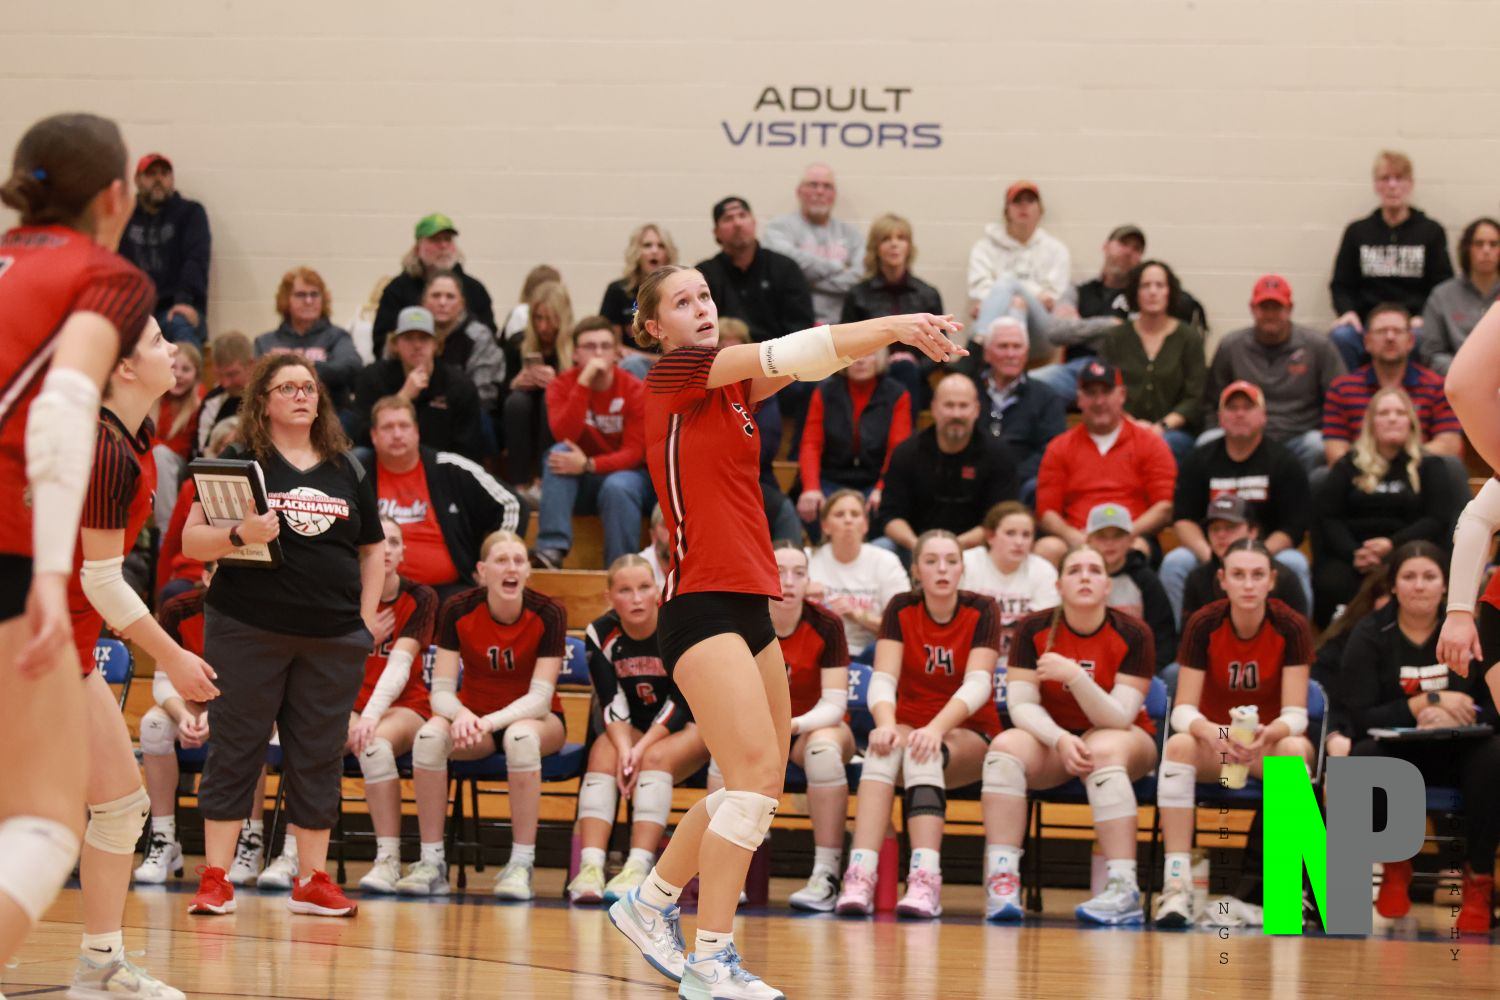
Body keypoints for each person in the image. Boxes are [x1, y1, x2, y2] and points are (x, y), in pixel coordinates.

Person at [607, 263, 963, 998]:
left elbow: (815, 361)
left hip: (748, 603)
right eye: (683, 301)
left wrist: (886, 340)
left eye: (706, 295)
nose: (702, 307)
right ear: (654, 327)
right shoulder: (674, 374)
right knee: (750, 784)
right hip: (699, 604)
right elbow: (795, 347)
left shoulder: (731, 391)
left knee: (759, 789)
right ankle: (711, 960)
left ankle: (649, 902)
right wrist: (898, 326)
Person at [0, 112, 159, 975]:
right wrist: (47, 576)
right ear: (115, 195)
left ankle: (101, 965)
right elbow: (63, 406)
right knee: (42, 825)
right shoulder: (105, 277)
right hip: (8, 548)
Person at [183, 353, 384, 919]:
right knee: (236, 749)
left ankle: (312, 880)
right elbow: (191, 542)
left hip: (333, 638)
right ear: (263, 402)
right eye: (287, 388)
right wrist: (240, 533)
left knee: (318, 756)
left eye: (309, 388)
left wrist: (365, 620)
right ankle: (217, 878)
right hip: (247, 630)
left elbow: (372, 550)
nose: (301, 395)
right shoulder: (238, 461)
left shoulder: (348, 468)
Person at [64, 317, 220, 999]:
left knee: (122, 806)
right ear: (123, 368)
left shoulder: (138, 438)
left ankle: (100, 964)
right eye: (157, 341)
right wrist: (174, 657)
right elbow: (101, 579)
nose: (174, 349)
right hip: (27, 641)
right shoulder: (100, 449)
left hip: (65, 646)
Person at [980, 544, 1159, 924]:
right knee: (1004, 748)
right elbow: (1021, 705)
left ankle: (1124, 887)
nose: (1085, 577)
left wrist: (1076, 676)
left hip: (1123, 736)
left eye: (1094, 570)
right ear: (1059, 585)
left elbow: (1119, 716)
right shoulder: (1034, 627)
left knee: (1104, 749)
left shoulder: (1134, 632)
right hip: (1054, 739)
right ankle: (1002, 879)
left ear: (1108, 585)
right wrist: (1060, 739)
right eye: (1075, 570)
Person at [834, 531, 998, 919]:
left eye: (951, 561)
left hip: (968, 730)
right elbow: (883, 678)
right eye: (931, 561)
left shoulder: (982, 609)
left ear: (962, 569)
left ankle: (925, 879)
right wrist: (885, 724)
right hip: (910, 723)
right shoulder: (901, 608)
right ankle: (859, 875)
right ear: (916, 570)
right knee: (881, 750)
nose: (942, 569)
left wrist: (936, 729)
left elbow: (978, 683)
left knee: (925, 753)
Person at [397, 531, 568, 899]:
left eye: (519, 561)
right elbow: (441, 691)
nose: (511, 568)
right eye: (501, 560)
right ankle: (431, 862)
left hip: (536, 721)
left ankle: (521, 864)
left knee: (520, 739)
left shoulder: (548, 612)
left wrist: (486, 722)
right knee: (428, 738)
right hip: (474, 719)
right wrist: (462, 715)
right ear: (482, 570)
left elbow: (540, 699)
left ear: (528, 571)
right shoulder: (458, 608)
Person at [1153, 538, 1315, 928]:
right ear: (1222, 580)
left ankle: (1283, 891)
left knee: (1295, 747)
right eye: (1238, 575)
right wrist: (1210, 731)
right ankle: (1176, 886)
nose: (1248, 584)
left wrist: (1269, 733)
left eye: (1257, 575)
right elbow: (1183, 710)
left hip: (1264, 745)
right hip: (1216, 745)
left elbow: (1297, 714)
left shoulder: (1291, 625)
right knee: (1179, 744)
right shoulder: (1204, 623)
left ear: (1271, 580)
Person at [1345, 541, 1497, 933]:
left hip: (1460, 752)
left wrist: (1458, 713)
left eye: (1429, 576)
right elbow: (1359, 716)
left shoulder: (1472, 632)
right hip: (1400, 755)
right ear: (1393, 585)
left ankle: (1479, 879)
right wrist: (1421, 705)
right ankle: (1394, 866)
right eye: (1408, 576)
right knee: (1361, 756)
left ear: (1446, 585)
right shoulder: (1370, 633)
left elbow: (1494, 706)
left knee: (1495, 754)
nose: (1419, 585)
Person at [568, 555, 710, 905]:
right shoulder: (600, 633)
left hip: (689, 726)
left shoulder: (677, 627)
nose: (636, 598)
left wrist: (640, 749)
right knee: (603, 752)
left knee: (654, 758)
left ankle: (637, 866)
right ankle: (591, 867)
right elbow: (610, 699)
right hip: (632, 727)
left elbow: (680, 703)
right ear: (609, 597)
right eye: (625, 590)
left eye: (644, 588)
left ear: (657, 591)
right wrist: (625, 749)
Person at [137, 564, 272, 888]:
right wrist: (183, 715)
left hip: (241, 704)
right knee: (153, 726)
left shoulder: (259, 612)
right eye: (221, 573)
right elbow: (161, 679)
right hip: (189, 701)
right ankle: (164, 839)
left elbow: (259, 684)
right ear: (206, 577)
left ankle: (250, 841)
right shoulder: (177, 610)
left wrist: (219, 715)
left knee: (253, 730)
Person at [1161, 381, 1313, 625]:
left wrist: (1254, 558)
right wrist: (1210, 555)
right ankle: (1182, 640)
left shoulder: (1285, 462)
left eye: (1247, 407)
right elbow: (1183, 518)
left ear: (1263, 416)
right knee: (1176, 562)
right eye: (1232, 408)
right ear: (1220, 417)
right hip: (1211, 548)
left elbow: (1294, 526)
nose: (1240, 414)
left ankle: (1297, 639)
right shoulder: (1198, 460)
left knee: (1295, 563)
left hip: (1266, 549)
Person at [756, 543, 855, 912]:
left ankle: (826, 875)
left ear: (809, 580)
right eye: (780, 571)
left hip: (811, 727)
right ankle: (731, 873)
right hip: (759, 730)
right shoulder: (743, 621)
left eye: (799, 573)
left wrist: (792, 725)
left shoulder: (827, 624)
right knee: (726, 753)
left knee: (823, 752)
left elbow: (834, 704)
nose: (789, 581)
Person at [344, 517, 439, 894]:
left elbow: (400, 667)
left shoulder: (421, 597)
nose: (386, 548)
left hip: (404, 706)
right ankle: (292, 855)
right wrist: (361, 637)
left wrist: (369, 717)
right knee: (312, 743)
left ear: (402, 553)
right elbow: (324, 659)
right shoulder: (342, 593)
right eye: (378, 541)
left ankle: (388, 859)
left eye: (394, 542)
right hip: (349, 703)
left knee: (375, 747)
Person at [1314, 386, 1460, 625]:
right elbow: (1329, 517)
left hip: (1408, 550)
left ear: (1410, 422)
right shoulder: (1348, 465)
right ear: (1371, 422)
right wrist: (1354, 552)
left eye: (1400, 413)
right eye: (1384, 413)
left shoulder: (1430, 465)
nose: (1392, 418)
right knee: (1331, 581)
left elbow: (1436, 519)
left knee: (1409, 575)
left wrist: (1392, 545)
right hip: (1355, 554)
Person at [371, 395, 528, 600]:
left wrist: (493, 563)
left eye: (404, 426)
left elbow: (513, 505)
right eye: (387, 427)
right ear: (373, 436)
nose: (397, 434)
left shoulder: (451, 468)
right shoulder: (357, 475)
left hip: (449, 594)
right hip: (378, 593)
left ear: (417, 431)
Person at [1030, 224, 1208, 403]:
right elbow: (1056, 332)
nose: (1128, 252)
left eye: (1136, 249)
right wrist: (1109, 324)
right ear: (1106, 246)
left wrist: (1081, 330)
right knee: (1030, 384)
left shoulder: (1144, 294)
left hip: (1129, 369)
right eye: (1123, 244)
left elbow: (1142, 336)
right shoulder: (1080, 290)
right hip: (1080, 368)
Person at [534, 316, 653, 569]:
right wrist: (583, 383)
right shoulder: (560, 385)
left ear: (616, 353)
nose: (598, 353)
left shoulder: (635, 389)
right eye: (589, 346)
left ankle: (622, 568)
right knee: (558, 452)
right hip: (582, 480)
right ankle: (551, 550)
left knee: (617, 486)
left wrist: (589, 464)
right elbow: (564, 435)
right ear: (575, 354)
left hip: (628, 478)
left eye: (605, 346)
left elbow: (634, 453)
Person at [1033, 360, 1176, 566]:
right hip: (1077, 537)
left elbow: (1164, 506)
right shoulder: (1059, 447)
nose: (1099, 401)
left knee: (1138, 549)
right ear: (1079, 399)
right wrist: (1076, 538)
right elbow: (1046, 512)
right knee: (1047, 548)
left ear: (1122, 395)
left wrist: (1124, 535)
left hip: (1132, 535)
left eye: (1106, 392)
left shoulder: (1150, 443)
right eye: (1091, 393)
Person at [1202, 275, 1346, 473]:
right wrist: (1221, 431)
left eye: (1277, 308)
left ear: (1290, 309)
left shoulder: (1318, 346)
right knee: (1207, 441)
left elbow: (1339, 399)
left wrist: (1328, 432)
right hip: (1242, 436)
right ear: (1252, 309)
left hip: (1299, 436)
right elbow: (1212, 401)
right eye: (1264, 308)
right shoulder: (1231, 346)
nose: (1270, 314)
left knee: (1317, 445)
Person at [1329, 151, 1453, 372]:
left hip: (1412, 322)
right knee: (1341, 335)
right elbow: (1341, 284)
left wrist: (1424, 317)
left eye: (1399, 179)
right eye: (1385, 179)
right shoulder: (1357, 231)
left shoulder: (1431, 231)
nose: (1392, 186)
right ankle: (1353, 392)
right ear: (1376, 185)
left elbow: (1442, 285)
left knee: (1422, 336)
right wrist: (1347, 313)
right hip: (1367, 324)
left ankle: (1413, 394)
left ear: (1410, 185)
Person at [877, 374, 1019, 563]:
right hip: (915, 547)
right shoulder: (907, 452)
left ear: (976, 410)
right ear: (934, 408)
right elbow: (890, 516)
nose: (956, 414)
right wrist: (920, 546)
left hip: (976, 550)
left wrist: (952, 548)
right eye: (949, 405)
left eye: (963, 406)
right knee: (881, 547)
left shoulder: (999, 455)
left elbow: (1001, 518)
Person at [1322, 302, 1462, 464]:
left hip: (1421, 473)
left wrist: (1399, 465)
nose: (1390, 337)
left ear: (1411, 341)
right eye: (1381, 331)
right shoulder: (1342, 389)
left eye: (1397, 331)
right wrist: (1375, 467)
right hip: (1361, 475)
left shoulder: (1436, 386)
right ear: (1366, 342)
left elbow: (1449, 446)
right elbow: (1335, 453)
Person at [1095, 260, 1206, 463]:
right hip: (1121, 426)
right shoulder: (1116, 337)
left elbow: (1195, 397)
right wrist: (1131, 425)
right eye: (1145, 286)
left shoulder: (1189, 338)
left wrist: (1160, 427)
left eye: (1159, 285)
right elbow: (1104, 388)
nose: (1152, 292)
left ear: (1169, 292)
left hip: (1173, 432)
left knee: (1158, 448)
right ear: (1135, 293)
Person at [795, 349, 911, 532]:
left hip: (874, 480)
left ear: (880, 358)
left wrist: (882, 487)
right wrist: (811, 488)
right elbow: (811, 444)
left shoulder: (897, 394)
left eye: (868, 353)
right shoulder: (824, 392)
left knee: (884, 509)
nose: (860, 360)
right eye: (853, 353)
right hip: (831, 478)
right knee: (813, 505)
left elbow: (897, 449)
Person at [352, 306, 485, 460]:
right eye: (408, 338)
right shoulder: (372, 377)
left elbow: (468, 446)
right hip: (386, 460)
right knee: (359, 455)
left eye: (424, 338)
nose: (417, 345)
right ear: (395, 344)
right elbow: (362, 435)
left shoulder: (460, 385)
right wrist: (402, 398)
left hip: (440, 464)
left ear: (436, 344)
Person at [840, 213, 945, 404]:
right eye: (886, 239)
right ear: (876, 247)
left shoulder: (927, 294)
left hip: (914, 376)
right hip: (869, 375)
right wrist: (878, 363)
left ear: (909, 246)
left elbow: (941, 347)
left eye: (901, 238)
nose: (894, 244)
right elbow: (846, 342)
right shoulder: (858, 294)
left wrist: (915, 364)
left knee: (904, 369)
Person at [967, 180, 1072, 363]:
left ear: (1040, 210)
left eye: (1030, 201)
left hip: (1042, 332)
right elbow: (979, 288)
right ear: (1007, 210)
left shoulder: (1056, 250)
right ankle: (1013, 369)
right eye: (1017, 201)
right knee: (1016, 304)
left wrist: (1000, 297)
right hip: (997, 326)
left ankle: (977, 345)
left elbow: (1053, 300)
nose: (1024, 206)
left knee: (1008, 282)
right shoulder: (984, 248)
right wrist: (1034, 294)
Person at [964, 317, 1067, 498]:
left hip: (1022, 485)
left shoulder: (1047, 397)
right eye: (1003, 346)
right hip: (972, 480)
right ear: (987, 354)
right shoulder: (967, 393)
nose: (1010, 354)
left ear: (1026, 353)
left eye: (1017, 347)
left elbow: (1052, 449)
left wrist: (1010, 477)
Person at [118, 152, 210, 347]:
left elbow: (196, 261)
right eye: (151, 174)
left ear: (172, 179)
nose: (158, 179)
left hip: (176, 307)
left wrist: (185, 301)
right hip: (134, 310)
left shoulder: (190, 213)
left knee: (180, 325)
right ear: (137, 180)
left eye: (164, 173)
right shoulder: (123, 217)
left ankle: (189, 370)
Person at [695, 196, 815, 345]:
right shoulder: (704, 275)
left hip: (778, 355)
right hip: (724, 355)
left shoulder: (785, 268)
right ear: (716, 232)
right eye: (728, 219)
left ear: (754, 223)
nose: (737, 223)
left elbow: (801, 326)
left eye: (742, 215)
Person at [807, 490, 910, 662]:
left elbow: (904, 626)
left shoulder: (886, 561)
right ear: (825, 526)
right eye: (839, 514)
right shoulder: (807, 560)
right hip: (818, 652)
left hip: (869, 654)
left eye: (855, 514)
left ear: (865, 525)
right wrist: (802, 596)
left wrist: (857, 614)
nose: (848, 520)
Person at [373, 213, 494, 357]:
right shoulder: (397, 290)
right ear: (418, 248)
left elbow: (490, 340)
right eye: (435, 240)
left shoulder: (475, 289)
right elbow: (381, 342)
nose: (443, 246)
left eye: (448, 239)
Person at [1179, 496, 1310, 625]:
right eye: (1215, 528)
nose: (1221, 534)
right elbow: (1189, 634)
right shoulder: (1196, 578)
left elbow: (1299, 632)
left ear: (1253, 532)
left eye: (1230, 527)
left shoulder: (1284, 578)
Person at [960, 502, 1059, 668]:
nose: (1019, 542)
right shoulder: (967, 563)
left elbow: (1043, 631)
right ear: (990, 536)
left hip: (1023, 664)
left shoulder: (1043, 570)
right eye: (1010, 533)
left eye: (1026, 535)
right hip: (969, 660)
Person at [764, 164, 865, 326]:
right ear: (799, 191)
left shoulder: (852, 234)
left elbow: (860, 277)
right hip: (791, 326)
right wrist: (839, 267)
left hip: (842, 325)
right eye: (813, 185)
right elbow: (785, 270)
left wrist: (807, 281)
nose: (820, 191)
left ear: (834, 195)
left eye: (827, 186)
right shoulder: (777, 228)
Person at [1083, 504, 1177, 675]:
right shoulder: (1080, 578)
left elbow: (1163, 636)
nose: (1109, 543)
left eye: (1118, 536)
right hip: (1088, 667)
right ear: (1088, 540)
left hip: (1139, 668)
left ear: (1131, 540)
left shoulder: (1146, 579)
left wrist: (1149, 674)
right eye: (1101, 536)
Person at [254, 267, 362, 413]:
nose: (309, 301)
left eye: (314, 294)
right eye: (300, 295)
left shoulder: (337, 336)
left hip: (330, 413)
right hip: (278, 415)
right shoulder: (265, 342)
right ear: (285, 299)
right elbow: (259, 381)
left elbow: (351, 367)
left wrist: (299, 370)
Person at [501, 279, 571, 491]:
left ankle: (542, 480)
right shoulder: (517, 343)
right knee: (516, 402)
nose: (543, 327)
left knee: (549, 400)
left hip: (558, 415)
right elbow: (499, 394)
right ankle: (519, 484)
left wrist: (558, 383)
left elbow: (583, 393)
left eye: (549, 319)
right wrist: (515, 382)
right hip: (524, 413)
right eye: (538, 318)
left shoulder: (575, 344)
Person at [1418, 217, 1500, 375]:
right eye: (1479, 244)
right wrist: (1465, 372)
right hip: (1457, 378)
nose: (1486, 250)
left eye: (1493, 244)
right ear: (1467, 248)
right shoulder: (1442, 295)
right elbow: (1431, 354)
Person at [422, 269, 506, 417]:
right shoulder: (408, 334)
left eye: (450, 297)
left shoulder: (479, 336)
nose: (442, 302)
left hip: (466, 412)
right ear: (424, 302)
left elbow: (483, 393)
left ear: (462, 304)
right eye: (436, 296)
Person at [600, 224, 678, 379]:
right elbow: (612, 345)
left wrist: (648, 358)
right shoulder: (618, 290)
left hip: (670, 366)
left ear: (668, 254)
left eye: (661, 245)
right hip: (631, 368)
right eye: (647, 245)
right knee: (633, 363)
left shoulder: (678, 292)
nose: (654, 250)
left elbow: (680, 350)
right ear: (636, 253)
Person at [193, 329, 253, 457]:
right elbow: (201, 452)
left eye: (232, 374)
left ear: (251, 365)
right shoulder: (212, 401)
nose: (225, 383)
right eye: (219, 375)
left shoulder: (268, 397)